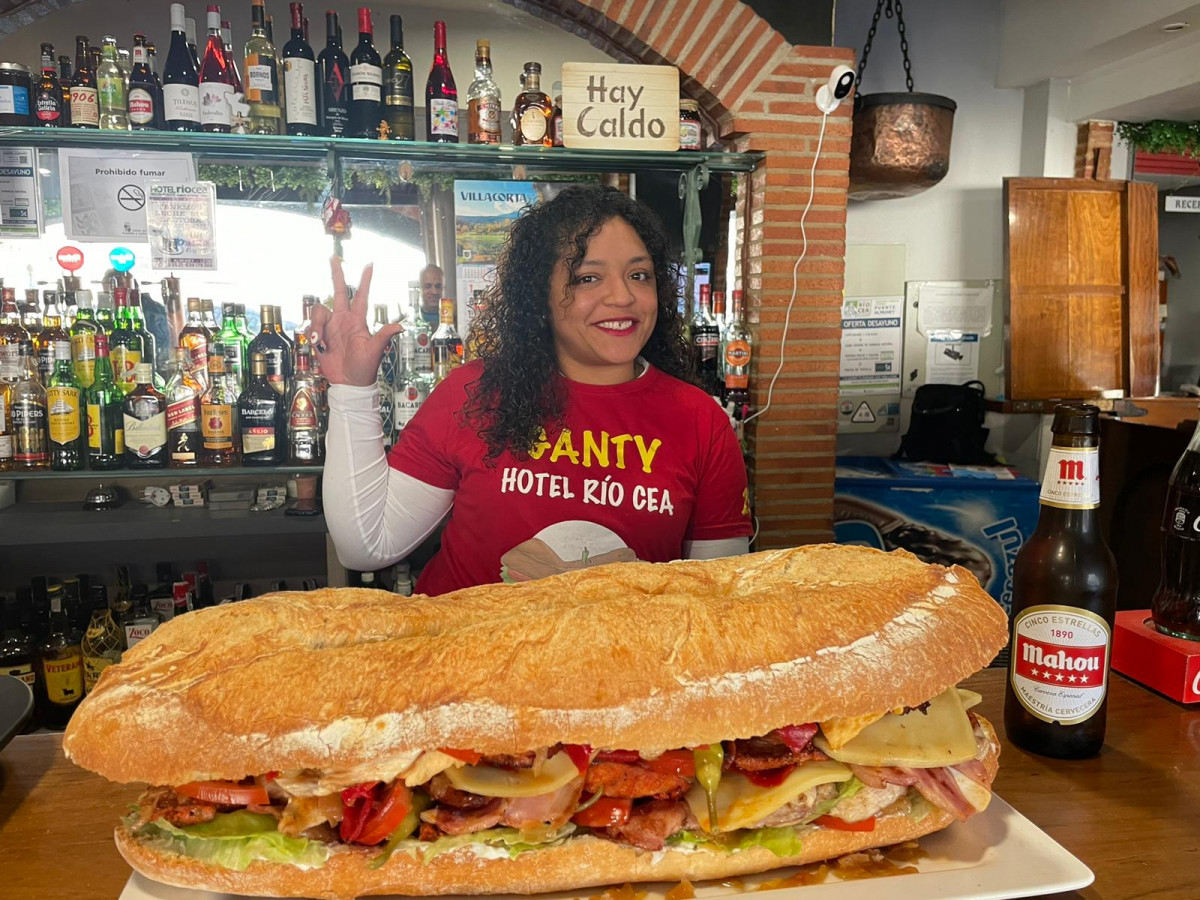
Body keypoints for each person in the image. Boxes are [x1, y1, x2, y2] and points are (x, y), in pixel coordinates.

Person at [313, 184, 752, 596]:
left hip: (614, 670)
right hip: (465, 667)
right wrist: (352, 391)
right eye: (587, 278)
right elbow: (366, 545)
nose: (622, 297)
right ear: (538, 295)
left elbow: (712, 596)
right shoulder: (474, 392)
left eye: (640, 275)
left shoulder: (700, 421)